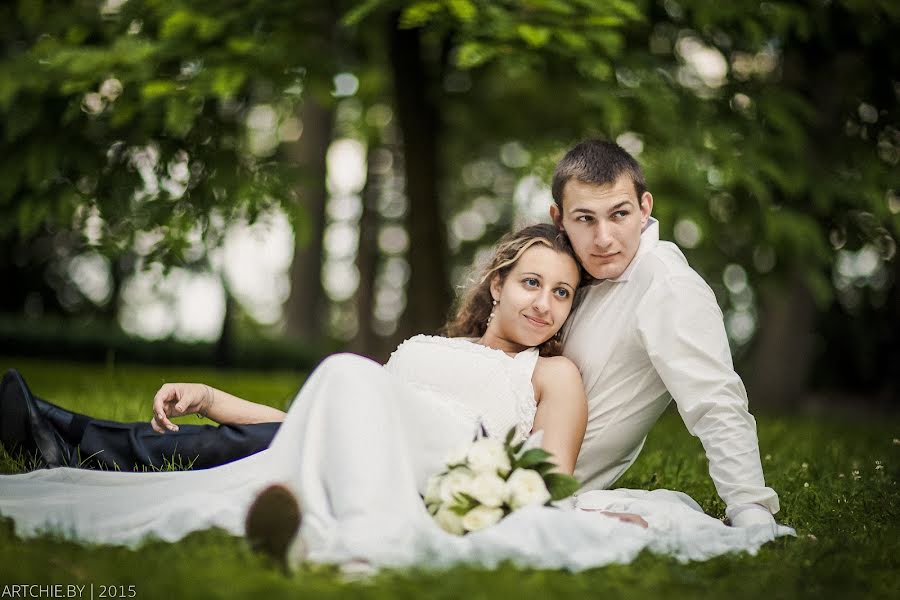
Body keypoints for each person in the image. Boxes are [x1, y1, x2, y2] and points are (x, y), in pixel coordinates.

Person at [2, 140, 781, 531]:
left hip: (459, 472)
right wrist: (210, 395)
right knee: (297, 436)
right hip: (377, 435)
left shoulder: (657, 297)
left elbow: (713, 402)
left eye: (619, 215)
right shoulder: (452, 348)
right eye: (583, 221)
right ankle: (66, 437)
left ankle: (63, 437)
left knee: (326, 412)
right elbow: (326, 416)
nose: (603, 238)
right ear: (504, 278)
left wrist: (754, 516)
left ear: (646, 205)